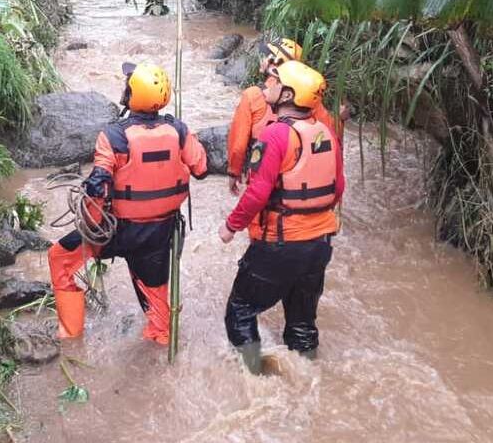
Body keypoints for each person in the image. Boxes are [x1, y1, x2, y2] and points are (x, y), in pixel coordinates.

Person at [48, 62, 209, 345]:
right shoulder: (178, 130)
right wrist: (181, 135)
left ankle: (70, 336)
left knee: (59, 258)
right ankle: (160, 348)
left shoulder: (113, 137)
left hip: (116, 232)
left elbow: (98, 185)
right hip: (160, 234)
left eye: (128, 85)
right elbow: (201, 168)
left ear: (132, 94)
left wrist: (91, 230)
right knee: (159, 315)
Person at [219, 59, 345, 374]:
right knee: (302, 322)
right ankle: (306, 377)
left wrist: (230, 226)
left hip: (279, 243)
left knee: (241, 309)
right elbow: (338, 188)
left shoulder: (275, 136)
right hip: (319, 245)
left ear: (288, 95)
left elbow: (257, 193)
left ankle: (255, 379)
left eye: (275, 83)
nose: (269, 86)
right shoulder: (326, 133)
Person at [226, 38, 346, 192]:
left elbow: (238, 144)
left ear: (273, 63)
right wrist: (341, 119)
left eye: (264, 57)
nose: (261, 60)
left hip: (263, 180)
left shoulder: (252, 95)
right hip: (299, 183)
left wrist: (233, 172)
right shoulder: (309, 100)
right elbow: (331, 133)